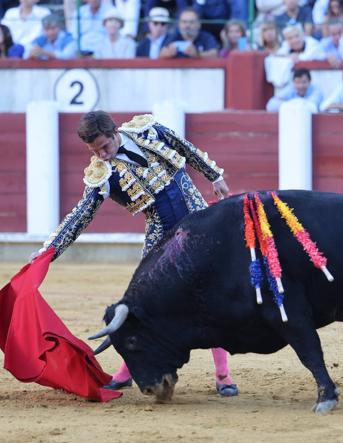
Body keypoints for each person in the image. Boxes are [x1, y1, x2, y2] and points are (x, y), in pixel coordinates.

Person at [34, 111, 239, 396]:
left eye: (105, 146)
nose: (102, 156)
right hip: (160, 237)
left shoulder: (148, 130)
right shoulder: (102, 175)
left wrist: (214, 175)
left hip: (199, 222)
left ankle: (223, 374)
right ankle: (125, 372)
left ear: (115, 132)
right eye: (94, 151)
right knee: (145, 304)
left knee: (211, 294)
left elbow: (184, 148)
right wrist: (49, 251)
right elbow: (80, 216)